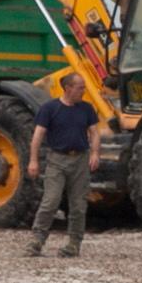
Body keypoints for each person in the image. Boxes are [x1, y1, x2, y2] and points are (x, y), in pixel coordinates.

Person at [27, 69, 102, 258]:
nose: (83, 91)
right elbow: (37, 136)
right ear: (67, 88)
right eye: (80, 87)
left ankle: (74, 244)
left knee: (78, 205)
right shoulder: (50, 108)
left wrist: (95, 153)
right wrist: (33, 160)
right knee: (50, 201)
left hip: (80, 160)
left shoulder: (87, 109)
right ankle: (36, 240)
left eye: (84, 87)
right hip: (57, 161)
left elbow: (94, 132)